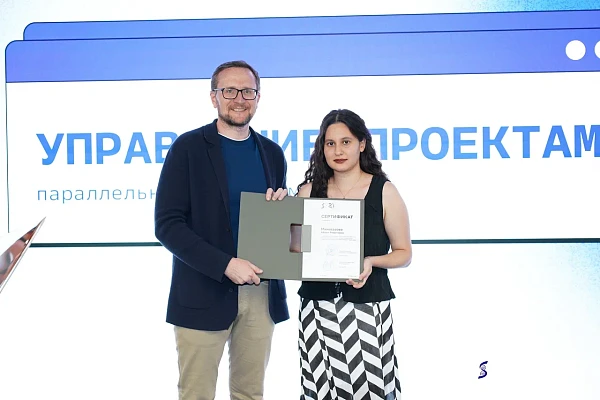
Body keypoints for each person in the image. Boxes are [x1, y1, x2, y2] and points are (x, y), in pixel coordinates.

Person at [154, 60, 289, 400]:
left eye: (248, 91)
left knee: (250, 393)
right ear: (213, 96)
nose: (239, 99)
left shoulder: (272, 153)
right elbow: (168, 225)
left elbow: (278, 226)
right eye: (229, 91)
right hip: (203, 290)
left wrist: (284, 212)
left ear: (258, 97)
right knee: (196, 394)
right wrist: (225, 264)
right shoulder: (188, 148)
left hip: (261, 292)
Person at [296, 109, 412, 400]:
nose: (338, 151)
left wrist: (370, 261)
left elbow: (404, 253)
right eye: (330, 143)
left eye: (346, 142)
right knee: (319, 389)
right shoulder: (308, 193)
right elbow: (293, 250)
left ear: (362, 144)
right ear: (322, 148)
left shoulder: (384, 191)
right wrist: (276, 209)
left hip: (367, 307)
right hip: (316, 309)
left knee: (369, 389)